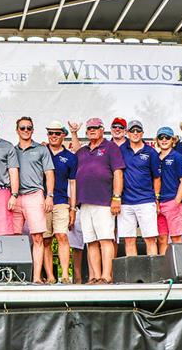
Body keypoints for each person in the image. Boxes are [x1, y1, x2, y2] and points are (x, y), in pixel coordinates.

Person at [70, 118, 125, 284]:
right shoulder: (84, 150)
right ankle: (94, 276)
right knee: (91, 241)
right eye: (89, 128)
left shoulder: (111, 147)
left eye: (95, 127)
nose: (92, 130)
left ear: (102, 129)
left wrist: (116, 197)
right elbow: (77, 151)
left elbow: (118, 173)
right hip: (85, 202)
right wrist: (73, 133)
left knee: (106, 239)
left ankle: (107, 276)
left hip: (104, 201)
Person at [12, 117, 55, 284]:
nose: (25, 130)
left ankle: (36, 277)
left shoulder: (42, 149)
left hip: (35, 195)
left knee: (38, 238)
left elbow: (49, 174)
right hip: (15, 197)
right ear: (17, 130)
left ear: (33, 130)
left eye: (29, 127)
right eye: (22, 127)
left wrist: (49, 196)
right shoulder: (11, 150)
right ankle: (15, 276)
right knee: (15, 238)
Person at [118, 120, 160, 256]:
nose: (135, 133)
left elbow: (157, 177)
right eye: (132, 131)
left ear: (142, 133)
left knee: (150, 239)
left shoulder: (151, 152)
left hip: (146, 201)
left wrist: (156, 198)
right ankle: (132, 276)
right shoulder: (120, 150)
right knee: (129, 240)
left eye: (138, 131)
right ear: (127, 133)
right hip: (125, 202)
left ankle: (153, 274)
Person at [42, 121, 77, 284]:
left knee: (62, 236)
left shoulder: (70, 157)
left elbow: (73, 184)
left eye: (57, 133)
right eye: (50, 133)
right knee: (45, 240)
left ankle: (64, 275)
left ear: (63, 135)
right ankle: (50, 276)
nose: (53, 136)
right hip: (42, 202)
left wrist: (73, 208)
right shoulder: (41, 151)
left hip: (62, 201)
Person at [155, 127, 182, 255]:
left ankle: (178, 272)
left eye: (167, 137)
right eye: (161, 137)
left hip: (172, 201)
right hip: (159, 203)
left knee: (176, 238)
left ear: (173, 140)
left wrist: (177, 202)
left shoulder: (177, 157)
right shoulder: (155, 157)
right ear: (157, 140)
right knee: (162, 238)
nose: (164, 140)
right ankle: (164, 271)